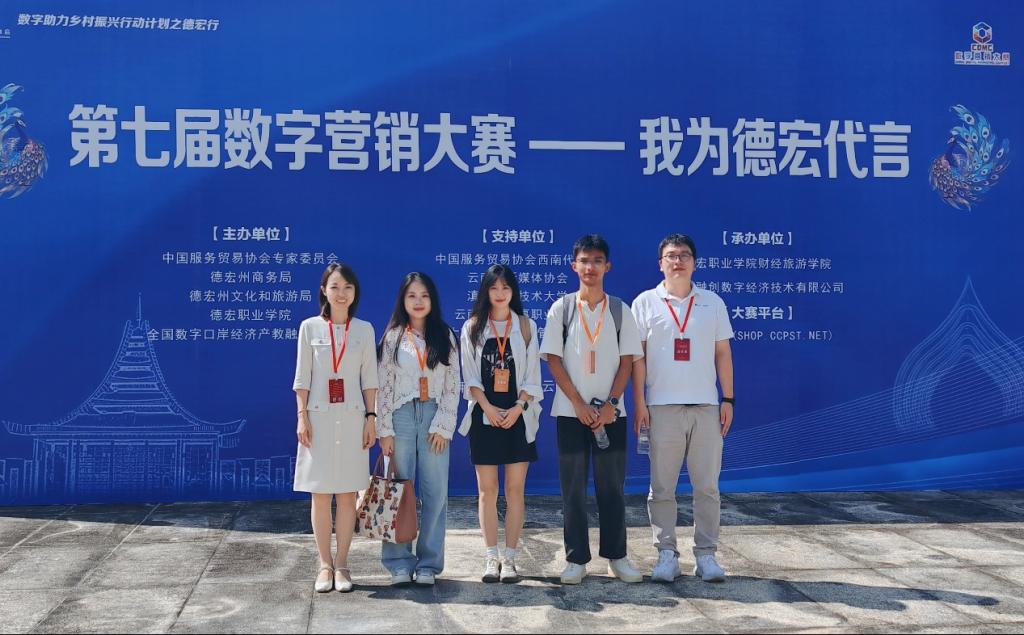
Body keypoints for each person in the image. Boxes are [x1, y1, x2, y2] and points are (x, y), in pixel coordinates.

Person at [541, 234, 645, 585]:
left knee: (611, 488)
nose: (590, 267)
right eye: (584, 261)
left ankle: (617, 557)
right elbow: (553, 360)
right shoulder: (562, 309)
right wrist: (579, 403)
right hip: (571, 414)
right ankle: (576, 560)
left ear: (607, 266)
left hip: (611, 415)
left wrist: (612, 404)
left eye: (597, 261)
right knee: (572, 489)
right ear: (574, 266)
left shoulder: (619, 310)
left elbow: (628, 361)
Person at [631, 234, 735, 583]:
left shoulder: (712, 303)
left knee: (707, 487)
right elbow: (637, 359)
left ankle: (706, 555)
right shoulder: (645, 303)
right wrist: (640, 402)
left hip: (705, 406)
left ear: (695, 262)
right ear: (660, 263)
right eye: (671, 256)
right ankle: (666, 554)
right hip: (661, 408)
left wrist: (728, 398)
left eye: (685, 255)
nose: (678, 261)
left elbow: (723, 353)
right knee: (662, 488)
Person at [293, 263, 379, 593]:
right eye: (335, 287)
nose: (341, 294)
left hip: (354, 419)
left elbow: (369, 379)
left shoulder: (364, 330)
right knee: (320, 494)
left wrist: (371, 418)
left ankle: (342, 564)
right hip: (319, 419)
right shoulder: (310, 328)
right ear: (324, 291)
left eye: (348, 287)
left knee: (347, 494)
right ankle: (324, 564)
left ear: (355, 293)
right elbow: (302, 378)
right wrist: (302, 416)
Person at [458, 264, 543, 583]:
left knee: (515, 489)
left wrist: (519, 408)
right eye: (494, 288)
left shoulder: (526, 326)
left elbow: (533, 375)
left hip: (518, 417)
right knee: (487, 490)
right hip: (485, 417)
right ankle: (491, 557)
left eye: (506, 287)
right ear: (485, 291)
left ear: (513, 291)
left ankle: (510, 559)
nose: (500, 293)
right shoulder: (473, 327)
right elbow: (470, 377)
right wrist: (487, 408)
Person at [376, 272, 460, 587]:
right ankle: (398, 562)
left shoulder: (445, 335)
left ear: (432, 299)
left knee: (435, 492)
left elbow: (453, 384)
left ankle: (428, 564)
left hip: (433, 416)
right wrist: (384, 429)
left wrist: (444, 424)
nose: (418, 301)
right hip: (400, 416)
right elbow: (383, 386)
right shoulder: (393, 338)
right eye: (412, 295)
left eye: (424, 295)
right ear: (403, 300)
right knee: (399, 490)